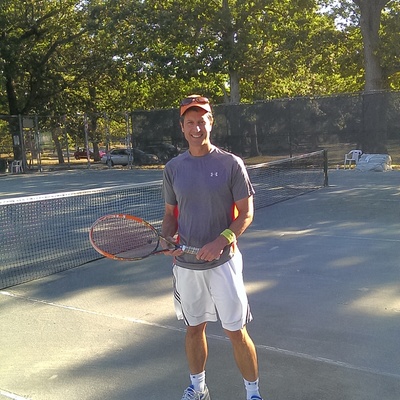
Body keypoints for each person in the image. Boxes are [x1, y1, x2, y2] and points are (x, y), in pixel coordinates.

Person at [161, 95, 264, 400]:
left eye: (201, 120)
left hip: (224, 265)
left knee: (236, 332)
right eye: (190, 122)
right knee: (194, 329)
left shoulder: (231, 164)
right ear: (182, 127)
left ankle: (253, 394)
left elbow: (246, 213)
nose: (196, 127)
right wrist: (168, 240)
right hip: (186, 268)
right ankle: (198, 388)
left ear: (210, 122)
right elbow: (170, 216)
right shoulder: (173, 168)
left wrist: (221, 241)